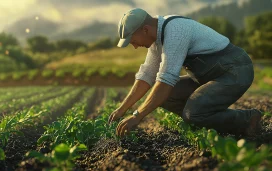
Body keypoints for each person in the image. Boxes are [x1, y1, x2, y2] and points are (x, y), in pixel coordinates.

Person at [108, 8, 262, 138]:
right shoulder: (156, 39)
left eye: (133, 41)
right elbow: (146, 75)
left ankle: (247, 119)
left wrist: (137, 116)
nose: (134, 46)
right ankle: (206, 120)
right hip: (206, 76)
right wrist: (121, 109)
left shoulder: (175, 31)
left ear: (145, 30)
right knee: (167, 99)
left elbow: (166, 80)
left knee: (192, 113)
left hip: (234, 71)